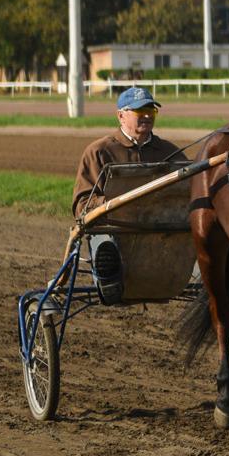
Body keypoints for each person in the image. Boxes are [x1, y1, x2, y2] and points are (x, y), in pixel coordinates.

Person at [74, 85, 185, 304]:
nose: (146, 115)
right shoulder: (99, 152)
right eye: (139, 110)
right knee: (106, 247)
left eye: (151, 111)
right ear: (121, 116)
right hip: (115, 232)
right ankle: (112, 283)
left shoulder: (170, 152)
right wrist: (116, 205)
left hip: (160, 234)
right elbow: (81, 205)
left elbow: (189, 191)